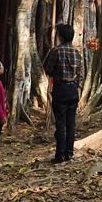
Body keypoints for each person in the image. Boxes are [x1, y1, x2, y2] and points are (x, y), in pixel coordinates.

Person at [43, 24, 84, 163]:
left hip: (60, 89)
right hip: (73, 90)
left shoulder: (56, 51)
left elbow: (47, 68)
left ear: (60, 36)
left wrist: (56, 73)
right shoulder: (77, 53)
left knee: (61, 123)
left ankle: (60, 155)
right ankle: (69, 154)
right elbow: (80, 74)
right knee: (71, 123)